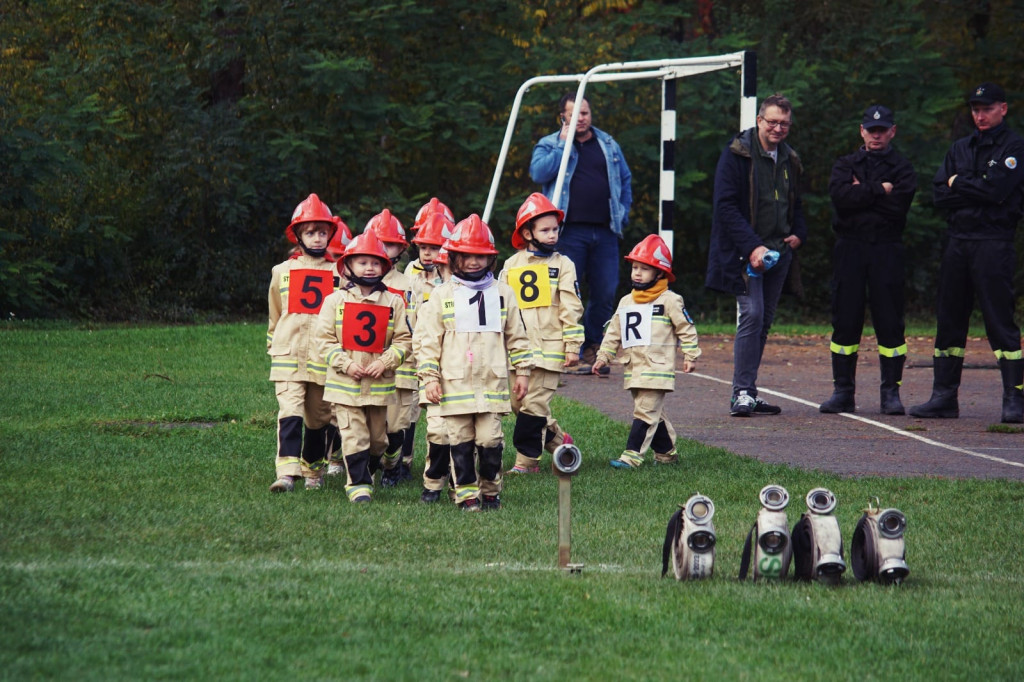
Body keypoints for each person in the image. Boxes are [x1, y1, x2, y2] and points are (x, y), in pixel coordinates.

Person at [910, 82, 1024, 423]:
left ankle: (1014, 398)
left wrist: (958, 183)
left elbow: (997, 191)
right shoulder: (960, 147)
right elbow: (938, 195)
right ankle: (944, 396)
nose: (980, 114)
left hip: (994, 242)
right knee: (949, 319)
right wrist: (970, 188)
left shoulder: (1014, 145)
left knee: (999, 321)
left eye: (987, 108)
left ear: (1002, 109)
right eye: (975, 109)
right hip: (958, 242)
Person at [414, 214, 533, 511]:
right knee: (460, 442)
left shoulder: (503, 294)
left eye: (480, 256)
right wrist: (430, 377)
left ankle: (491, 491)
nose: (473, 262)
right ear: (454, 258)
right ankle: (467, 494)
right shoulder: (441, 296)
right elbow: (428, 341)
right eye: (466, 256)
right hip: (453, 385)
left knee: (491, 440)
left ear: (490, 259)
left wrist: (523, 371)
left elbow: (517, 336)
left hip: (491, 385)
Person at [706, 93, 807, 417]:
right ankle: (741, 393)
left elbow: (797, 203)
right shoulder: (737, 154)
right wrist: (752, 247)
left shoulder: (790, 158)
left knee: (763, 321)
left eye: (784, 123)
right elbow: (725, 206)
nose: (778, 128)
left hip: (780, 253)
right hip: (744, 254)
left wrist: (798, 234)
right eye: (773, 121)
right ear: (760, 120)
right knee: (751, 314)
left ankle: (748, 389)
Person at [819, 105, 917, 415]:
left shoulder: (902, 168)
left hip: (886, 249)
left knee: (890, 321)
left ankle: (891, 393)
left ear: (892, 131)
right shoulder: (845, 163)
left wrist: (862, 193)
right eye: (871, 130)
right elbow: (840, 200)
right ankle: (843, 391)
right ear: (862, 131)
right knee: (845, 319)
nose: (876, 135)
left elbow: (897, 209)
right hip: (850, 249)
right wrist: (879, 191)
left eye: (882, 130)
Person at [529, 92, 632, 373]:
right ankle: (564, 350)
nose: (580, 119)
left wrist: (622, 212)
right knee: (566, 291)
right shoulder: (550, 144)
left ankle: (593, 346)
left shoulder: (608, 143)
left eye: (584, 113)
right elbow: (538, 174)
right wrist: (563, 145)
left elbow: (625, 178)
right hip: (567, 232)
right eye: (573, 114)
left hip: (606, 231)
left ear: (590, 114)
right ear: (562, 116)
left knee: (605, 290)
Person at [315, 231, 412, 503]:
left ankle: (367, 470)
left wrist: (386, 361)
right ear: (348, 267)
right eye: (362, 262)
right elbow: (323, 340)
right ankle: (358, 485)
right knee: (354, 435)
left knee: (378, 440)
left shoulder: (394, 302)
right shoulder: (335, 301)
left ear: (385, 266)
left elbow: (404, 340)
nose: (369, 267)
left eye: (375, 262)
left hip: (379, 385)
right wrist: (345, 363)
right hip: (345, 385)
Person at [592, 234, 700, 467]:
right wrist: (604, 356)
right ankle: (666, 453)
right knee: (652, 413)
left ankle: (632, 456)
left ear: (660, 273)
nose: (637, 273)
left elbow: (686, 328)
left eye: (644, 268)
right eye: (635, 268)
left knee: (644, 413)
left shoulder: (670, 300)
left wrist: (691, 354)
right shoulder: (626, 302)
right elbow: (613, 333)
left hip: (657, 369)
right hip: (634, 368)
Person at [498, 192, 583, 474]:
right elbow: (501, 307)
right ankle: (560, 441)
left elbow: (572, 306)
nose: (552, 235)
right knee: (517, 403)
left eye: (555, 229)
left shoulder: (564, 264)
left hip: (549, 349)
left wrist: (572, 344)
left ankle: (527, 462)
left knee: (533, 406)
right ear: (527, 232)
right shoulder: (511, 265)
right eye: (544, 230)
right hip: (516, 351)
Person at [266, 193, 341, 492]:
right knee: (290, 412)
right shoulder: (281, 271)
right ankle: (286, 471)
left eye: (323, 232)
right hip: (288, 354)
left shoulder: (339, 274)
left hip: (322, 358)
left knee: (318, 418)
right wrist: (274, 342)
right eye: (310, 232)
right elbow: (275, 311)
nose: (318, 238)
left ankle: (314, 470)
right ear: (298, 235)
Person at [406, 211, 456, 502]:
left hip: (464, 368)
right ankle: (433, 482)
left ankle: (462, 480)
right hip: (431, 364)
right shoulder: (421, 286)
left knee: (463, 432)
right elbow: (417, 325)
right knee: (436, 430)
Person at [364, 209, 417, 485]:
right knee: (371, 425)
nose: (383, 250)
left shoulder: (409, 286)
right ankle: (366, 469)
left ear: (401, 248)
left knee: (397, 425)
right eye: (378, 242)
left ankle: (393, 463)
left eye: (389, 244)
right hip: (368, 366)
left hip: (403, 367)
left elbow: (415, 325)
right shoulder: (357, 284)